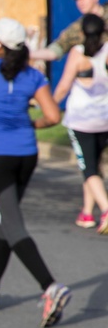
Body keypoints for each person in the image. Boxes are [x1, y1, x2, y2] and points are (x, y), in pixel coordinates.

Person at [0, 18, 71, 327]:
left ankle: (51, 286)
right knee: (3, 218)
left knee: (10, 221)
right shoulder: (33, 75)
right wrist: (27, 124)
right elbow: (52, 115)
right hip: (26, 153)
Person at [52, 13, 108, 233]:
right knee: (93, 165)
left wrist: (51, 105)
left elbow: (64, 85)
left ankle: (105, 208)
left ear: (82, 31)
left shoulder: (78, 53)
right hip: (104, 118)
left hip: (81, 119)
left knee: (88, 168)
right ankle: (87, 212)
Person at [32, 0, 107, 62]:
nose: (80, 2)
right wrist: (28, 54)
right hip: (97, 70)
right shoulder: (77, 28)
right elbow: (56, 50)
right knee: (77, 52)